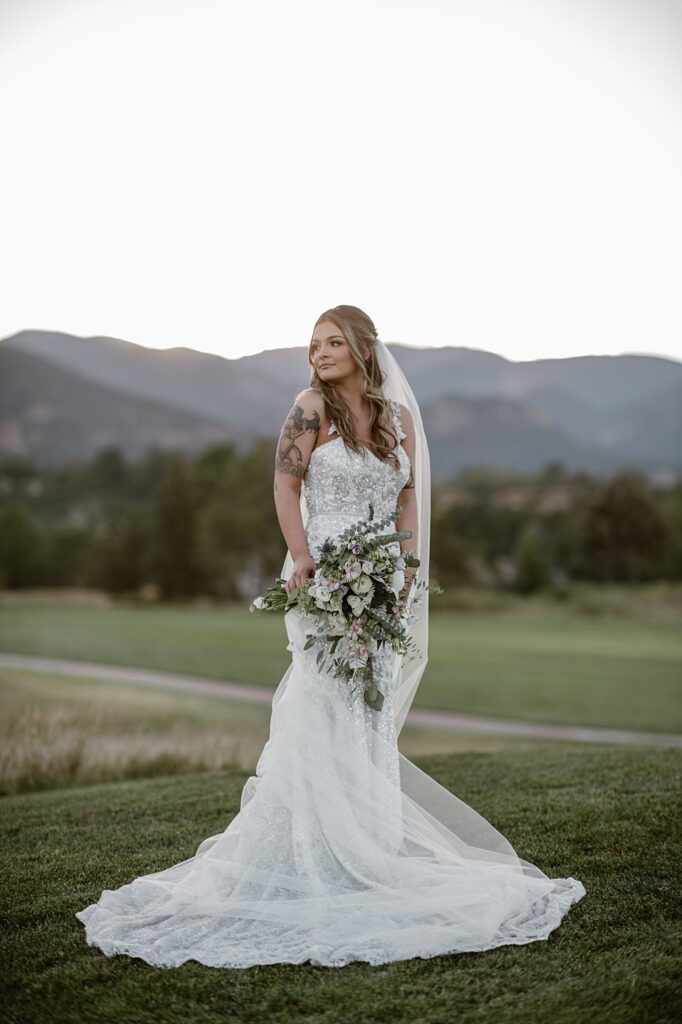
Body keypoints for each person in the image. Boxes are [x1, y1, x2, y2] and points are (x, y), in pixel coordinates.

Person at [75, 304, 585, 968]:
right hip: (318, 579)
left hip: (379, 582)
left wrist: (404, 568)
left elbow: (406, 497)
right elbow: (286, 485)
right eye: (314, 343)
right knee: (320, 706)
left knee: (366, 714)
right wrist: (304, 557)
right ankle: (309, 854)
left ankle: (366, 848)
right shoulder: (308, 407)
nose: (319, 352)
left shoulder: (396, 420)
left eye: (334, 341)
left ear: (363, 349)